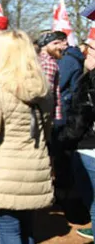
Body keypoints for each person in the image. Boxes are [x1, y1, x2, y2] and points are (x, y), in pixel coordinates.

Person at [0, 30, 53, 244]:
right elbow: (47, 128)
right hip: (34, 165)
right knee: (27, 230)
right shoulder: (42, 85)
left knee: (7, 231)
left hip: (4, 169)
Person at [60, 44, 95, 240]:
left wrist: (66, 139)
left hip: (89, 149)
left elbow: (81, 117)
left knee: (93, 202)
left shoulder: (90, 82)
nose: (85, 56)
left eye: (90, 53)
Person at [37, 30, 68, 126]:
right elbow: (46, 92)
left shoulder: (38, 59)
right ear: (45, 45)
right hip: (44, 114)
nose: (60, 47)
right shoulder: (49, 63)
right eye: (55, 43)